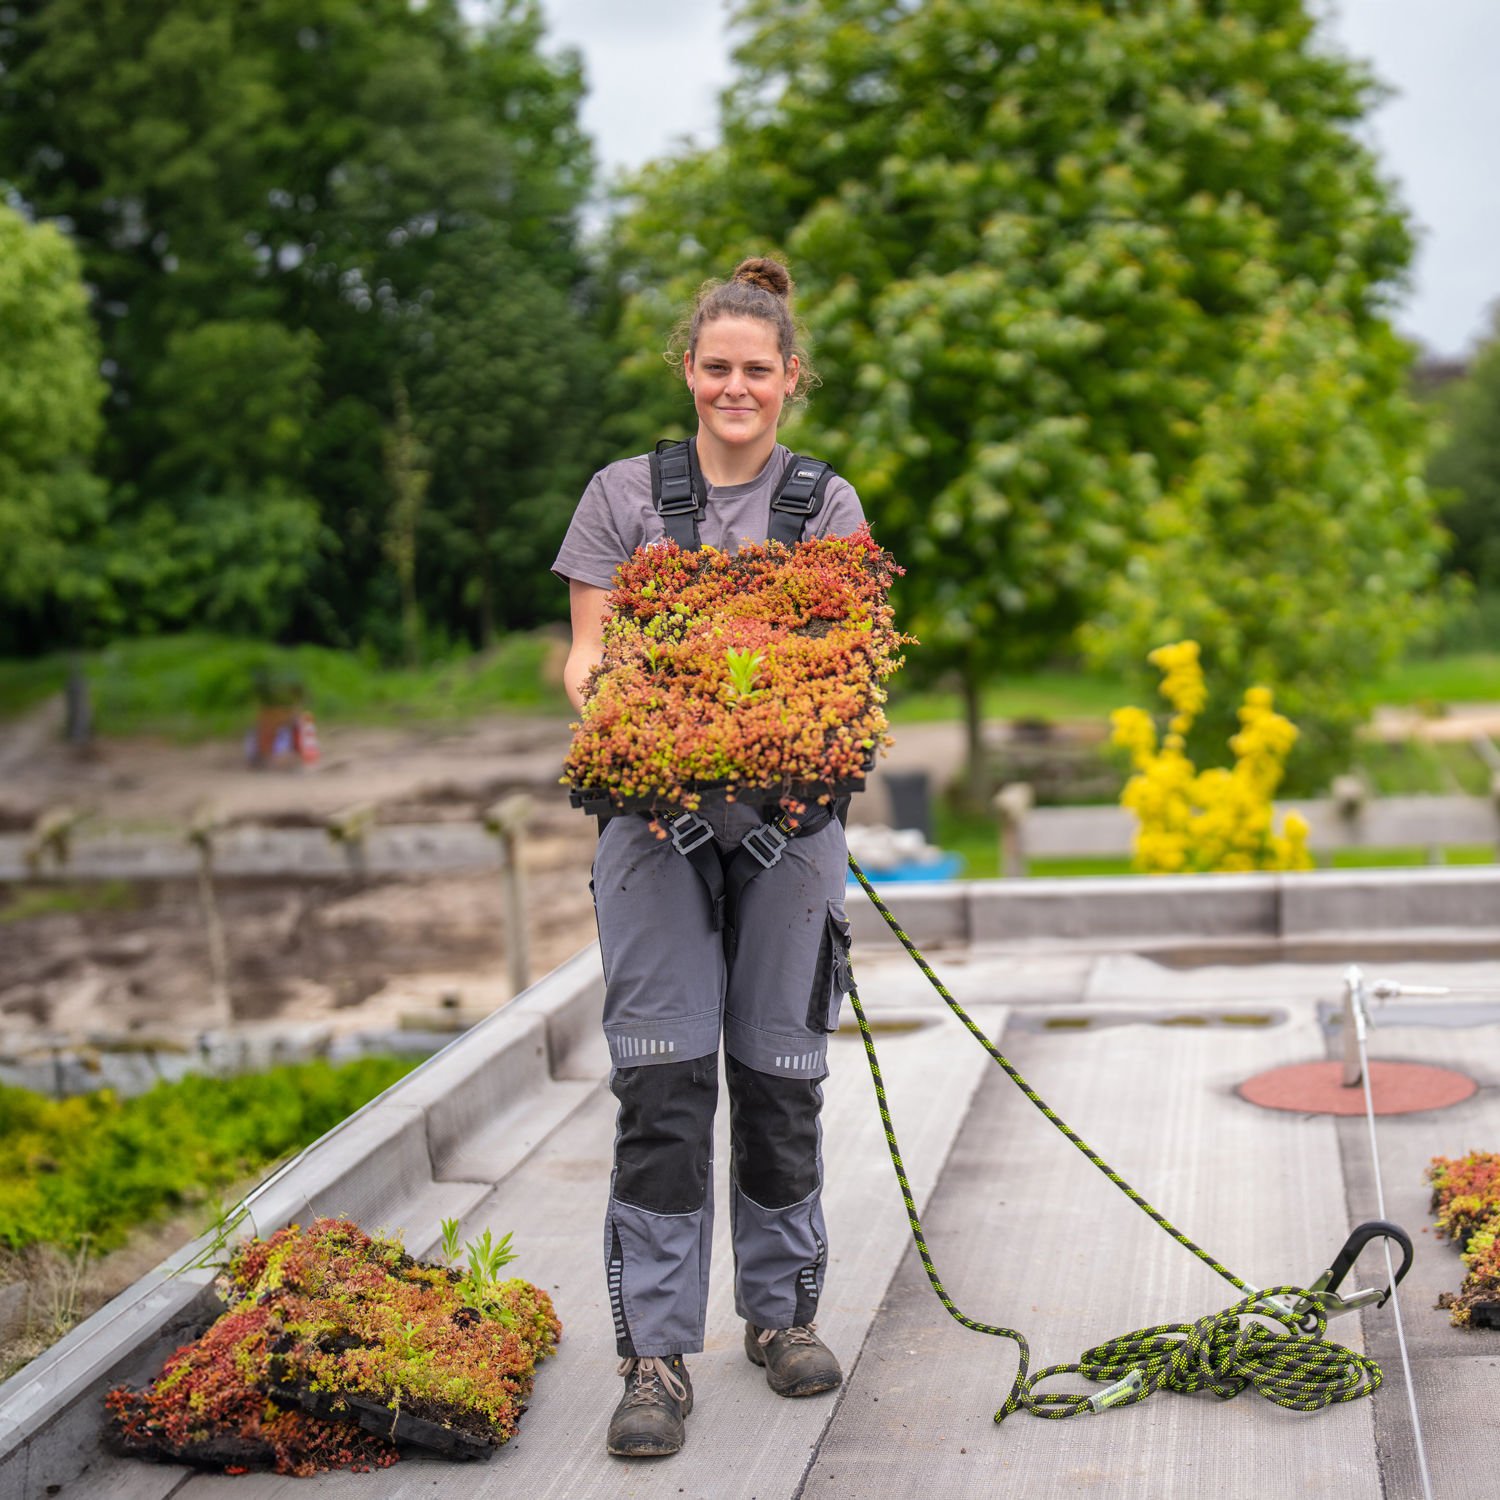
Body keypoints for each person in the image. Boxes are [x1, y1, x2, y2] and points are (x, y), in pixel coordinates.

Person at [552, 257, 866, 1459]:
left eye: (758, 370)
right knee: (664, 1084)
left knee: (782, 1078)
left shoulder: (826, 506)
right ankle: (655, 1357)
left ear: (791, 377)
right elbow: (587, 657)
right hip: (650, 826)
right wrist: (642, 730)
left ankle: (781, 1318)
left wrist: (778, 775)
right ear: (687, 371)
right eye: (717, 367)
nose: (737, 387)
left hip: (792, 827)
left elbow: (847, 674)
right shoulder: (622, 498)